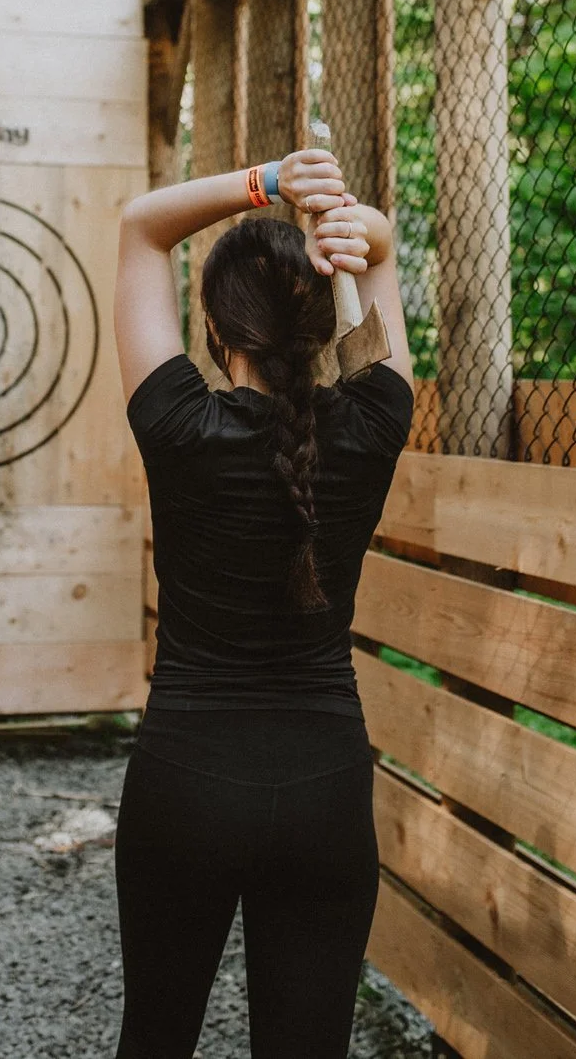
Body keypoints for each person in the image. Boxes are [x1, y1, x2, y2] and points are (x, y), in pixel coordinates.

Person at [111, 147, 414, 1059]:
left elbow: (139, 225)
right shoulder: (374, 426)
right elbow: (386, 256)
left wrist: (273, 182)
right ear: (326, 322)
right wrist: (361, 230)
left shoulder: (177, 424)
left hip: (185, 783)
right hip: (326, 789)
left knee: (155, 1041)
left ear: (209, 327)